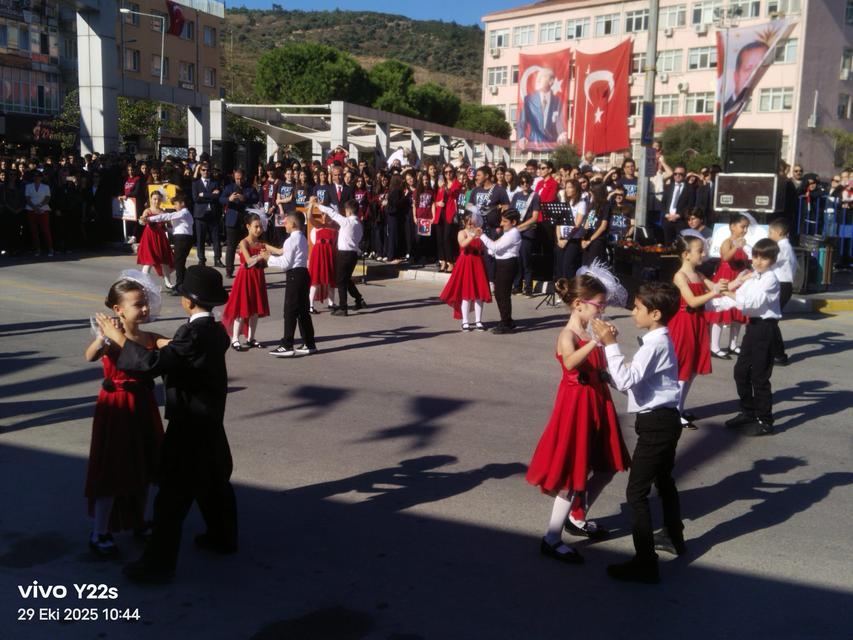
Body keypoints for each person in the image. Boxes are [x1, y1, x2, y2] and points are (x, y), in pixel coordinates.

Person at [95, 265, 237, 584]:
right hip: (211, 418)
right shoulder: (216, 331)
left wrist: (118, 336)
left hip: (191, 422)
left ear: (188, 301)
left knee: (172, 498)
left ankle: (157, 565)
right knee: (215, 485)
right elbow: (179, 357)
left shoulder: (192, 333)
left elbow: (150, 366)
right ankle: (223, 538)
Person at [526, 272, 630, 564]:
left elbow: (599, 369)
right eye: (598, 304)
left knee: (606, 468)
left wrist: (614, 367)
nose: (603, 309)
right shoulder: (568, 335)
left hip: (598, 402)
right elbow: (571, 363)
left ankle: (577, 515)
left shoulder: (589, 330)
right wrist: (596, 342)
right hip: (575, 406)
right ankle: (551, 537)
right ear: (578, 304)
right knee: (574, 475)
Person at [591, 282, 683, 584]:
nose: (633, 312)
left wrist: (609, 344)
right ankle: (673, 535)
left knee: (636, 493)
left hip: (657, 424)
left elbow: (629, 378)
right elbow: (637, 382)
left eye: (638, 308)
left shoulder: (656, 343)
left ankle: (646, 563)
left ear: (655, 313)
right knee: (663, 479)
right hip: (662, 420)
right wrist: (607, 373)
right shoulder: (657, 340)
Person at [84, 274, 167, 557]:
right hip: (117, 407)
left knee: (144, 467)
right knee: (113, 469)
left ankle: (139, 521)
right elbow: (90, 356)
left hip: (143, 404)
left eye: (145, 303)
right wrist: (101, 339)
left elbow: (169, 347)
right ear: (118, 309)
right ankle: (100, 531)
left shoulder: (146, 336)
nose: (144, 309)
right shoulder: (111, 336)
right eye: (137, 305)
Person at [721, 239, 782, 436]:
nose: (758, 261)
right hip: (753, 327)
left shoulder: (770, 279)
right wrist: (708, 302)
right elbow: (739, 297)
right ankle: (748, 411)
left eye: (764, 258)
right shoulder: (753, 276)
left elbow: (752, 303)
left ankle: (765, 420)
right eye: (756, 256)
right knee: (740, 371)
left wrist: (729, 292)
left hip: (766, 328)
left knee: (759, 376)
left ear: (772, 260)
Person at [669, 235, 721, 429]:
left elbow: (716, 288)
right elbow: (692, 301)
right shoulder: (680, 276)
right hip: (683, 324)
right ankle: (674, 412)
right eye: (700, 250)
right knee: (683, 369)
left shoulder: (698, 274)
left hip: (697, 322)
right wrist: (714, 292)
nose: (704, 254)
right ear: (686, 255)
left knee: (691, 370)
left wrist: (738, 281)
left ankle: (679, 408)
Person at [264, 212, 318, 357]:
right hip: (303, 274)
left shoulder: (290, 240)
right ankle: (309, 342)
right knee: (302, 311)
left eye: (286, 222)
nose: (284, 224)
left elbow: (285, 263)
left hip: (294, 275)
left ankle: (287, 344)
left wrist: (269, 259)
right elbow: (284, 253)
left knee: (290, 311)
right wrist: (270, 250)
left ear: (293, 224)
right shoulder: (301, 238)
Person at [706, 213, 751, 359]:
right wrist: (736, 247)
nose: (745, 230)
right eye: (742, 226)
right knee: (720, 312)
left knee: (737, 312)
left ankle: (733, 344)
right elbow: (725, 257)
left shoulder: (744, 242)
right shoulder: (728, 242)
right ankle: (714, 346)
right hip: (726, 277)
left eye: (746, 227)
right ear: (732, 226)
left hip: (739, 278)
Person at [439, 211, 492, 330]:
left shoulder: (479, 233)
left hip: (478, 263)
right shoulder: (461, 232)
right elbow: (463, 244)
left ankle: (479, 320)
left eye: (473, 224)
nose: (471, 226)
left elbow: (485, 247)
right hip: (466, 263)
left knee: (479, 293)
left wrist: (483, 238)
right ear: (464, 223)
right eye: (469, 224)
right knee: (466, 294)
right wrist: (473, 235)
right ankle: (465, 321)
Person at [313, 198, 365, 316]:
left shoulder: (347, 222)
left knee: (340, 281)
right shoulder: (359, 225)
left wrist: (317, 205)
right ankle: (359, 299)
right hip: (353, 254)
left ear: (349, 211)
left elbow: (332, 213)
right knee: (346, 279)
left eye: (346, 211)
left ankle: (343, 307)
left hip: (344, 254)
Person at [478, 209, 521, 334]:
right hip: (502, 263)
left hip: (508, 265)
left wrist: (482, 235)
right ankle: (507, 320)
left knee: (502, 295)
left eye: (505, 221)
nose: (501, 223)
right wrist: (491, 250)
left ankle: (506, 323)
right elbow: (497, 246)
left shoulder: (513, 233)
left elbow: (495, 246)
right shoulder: (508, 232)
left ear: (513, 222)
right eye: (502, 220)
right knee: (500, 294)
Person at [141, 193, 194, 294]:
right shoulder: (148, 210)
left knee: (176, 262)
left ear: (182, 203)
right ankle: (182, 284)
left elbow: (169, 217)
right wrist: (144, 220)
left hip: (181, 239)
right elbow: (172, 228)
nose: (174, 206)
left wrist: (150, 219)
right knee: (151, 260)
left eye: (176, 204)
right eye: (154, 199)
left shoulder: (183, 212)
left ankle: (180, 285)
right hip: (153, 237)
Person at [516, 67, 568, 151]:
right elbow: (522, 121)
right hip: (534, 142)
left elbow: (559, 121)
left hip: (552, 144)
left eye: (542, 76)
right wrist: (521, 136)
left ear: (551, 81)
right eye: (538, 77)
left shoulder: (557, 101)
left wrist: (562, 133)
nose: (538, 79)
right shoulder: (529, 99)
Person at [219, 169, 259, 279]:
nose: (239, 181)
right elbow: (220, 199)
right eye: (237, 179)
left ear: (244, 177)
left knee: (248, 245)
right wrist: (229, 199)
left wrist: (244, 198)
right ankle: (229, 270)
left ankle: (248, 267)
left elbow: (256, 198)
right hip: (232, 220)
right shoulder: (229, 187)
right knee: (231, 246)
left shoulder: (249, 187)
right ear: (234, 177)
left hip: (245, 222)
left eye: (241, 178)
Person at [768, 219, 796, 365]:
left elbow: (768, 261)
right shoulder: (785, 246)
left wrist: (747, 248)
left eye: (770, 232)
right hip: (782, 285)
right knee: (770, 319)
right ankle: (773, 351)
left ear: (779, 232)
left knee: (771, 320)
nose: (769, 235)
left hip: (782, 285)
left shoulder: (782, 247)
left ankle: (779, 355)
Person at [136, 191, 175, 289]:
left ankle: (168, 282)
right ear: (151, 199)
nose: (156, 201)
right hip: (149, 237)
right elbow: (142, 221)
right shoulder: (147, 211)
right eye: (154, 199)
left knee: (165, 261)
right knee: (149, 261)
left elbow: (169, 226)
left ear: (161, 200)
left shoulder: (163, 212)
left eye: (158, 199)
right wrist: (142, 220)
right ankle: (142, 283)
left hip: (161, 238)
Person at [510, 172, 541, 296]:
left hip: (528, 232)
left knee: (526, 260)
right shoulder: (516, 195)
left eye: (527, 182)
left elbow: (534, 217)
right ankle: (517, 285)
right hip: (516, 231)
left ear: (530, 182)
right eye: (522, 182)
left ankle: (528, 287)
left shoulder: (535, 196)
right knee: (517, 259)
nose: (525, 185)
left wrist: (519, 227)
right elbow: (511, 212)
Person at [191, 164, 223, 267]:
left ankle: (217, 259)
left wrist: (204, 195)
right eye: (203, 170)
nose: (206, 172)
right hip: (200, 215)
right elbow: (196, 199)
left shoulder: (215, 183)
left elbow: (217, 196)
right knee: (200, 238)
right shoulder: (196, 183)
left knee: (216, 239)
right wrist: (211, 195)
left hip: (213, 214)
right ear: (200, 171)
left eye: (208, 170)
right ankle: (201, 259)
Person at [307, 208, 338, 313]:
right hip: (318, 254)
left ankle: (331, 303)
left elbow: (335, 244)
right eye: (322, 214)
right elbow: (309, 217)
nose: (323, 216)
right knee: (315, 279)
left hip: (329, 253)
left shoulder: (335, 226)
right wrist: (311, 205)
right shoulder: (318, 225)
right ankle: (310, 306)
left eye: (326, 214)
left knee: (330, 278)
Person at [435, 166, 461, 273]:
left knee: (447, 238)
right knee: (440, 239)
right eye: (446, 172)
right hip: (440, 213)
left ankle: (451, 262)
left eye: (450, 172)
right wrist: (437, 203)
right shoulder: (441, 185)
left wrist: (445, 187)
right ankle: (443, 261)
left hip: (450, 214)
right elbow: (436, 199)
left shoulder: (456, 183)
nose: (448, 174)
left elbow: (453, 194)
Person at [661, 165, 695, 246]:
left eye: (680, 174)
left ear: (685, 175)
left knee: (681, 245)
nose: (677, 175)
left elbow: (690, 205)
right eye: (675, 173)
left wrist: (679, 215)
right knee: (668, 245)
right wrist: (666, 214)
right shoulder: (668, 187)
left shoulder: (690, 189)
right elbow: (663, 203)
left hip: (681, 221)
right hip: (668, 220)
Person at [25, 170, 53, 256]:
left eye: (38, 176)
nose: (37, 178)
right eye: (35, 176)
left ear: (41, 178)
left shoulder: (46, 187)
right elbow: (27, 198)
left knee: (45, 230)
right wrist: (34, 208)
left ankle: (50, 249)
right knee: (34, 231)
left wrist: (39, 206)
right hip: (31, 210)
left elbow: (47, 198)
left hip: (43, 210)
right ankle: (37, 249)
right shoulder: (28, 186)